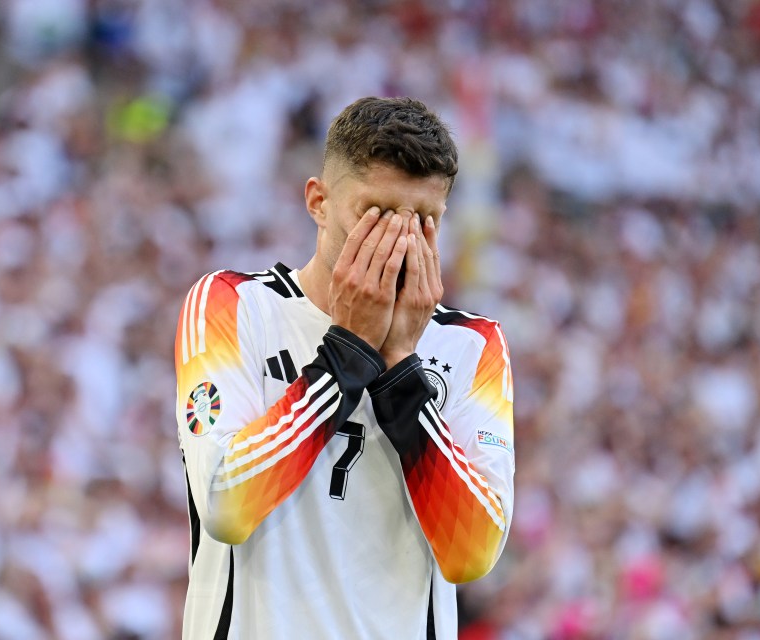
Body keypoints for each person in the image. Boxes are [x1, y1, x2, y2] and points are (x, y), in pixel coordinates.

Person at [174, 96, 515, 640]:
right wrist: (348, 351)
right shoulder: (233, 306)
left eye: (423, 221)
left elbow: (471, 554)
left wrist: (400, 368)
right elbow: (224, 506)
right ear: (318, 201)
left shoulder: (472, 345)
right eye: (375, 214)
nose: (399, 243)